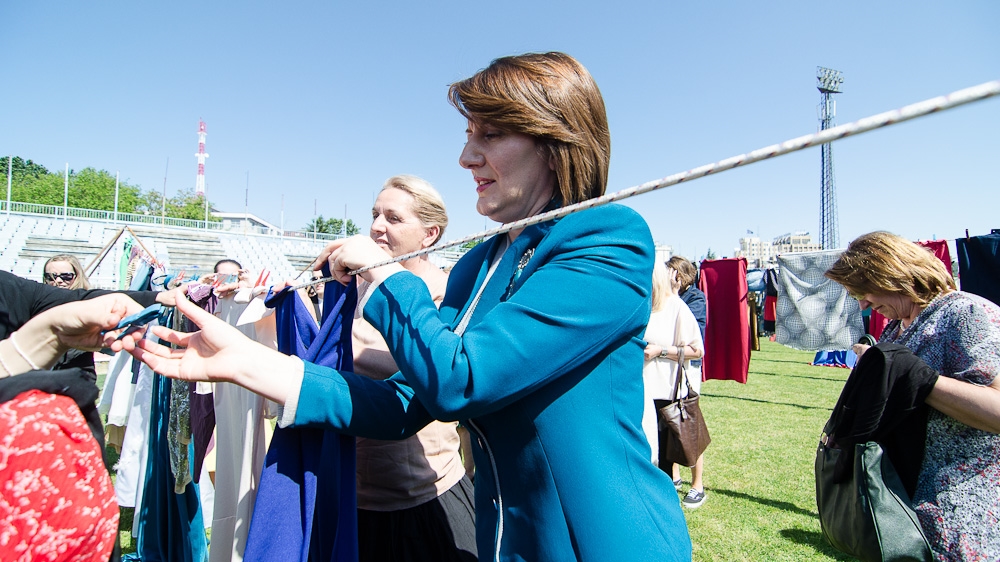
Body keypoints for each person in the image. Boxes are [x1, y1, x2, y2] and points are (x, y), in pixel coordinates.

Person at [126, 52, 692, 561]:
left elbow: (461, 379)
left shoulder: (608, 237)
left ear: (555, 141)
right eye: (470, 134)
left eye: (491, 134)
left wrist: (383, 271)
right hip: (508, 544)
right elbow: (405, 404)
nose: (467, 155)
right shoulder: (482, 263)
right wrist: (241, 361)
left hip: (605, 543)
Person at [825, 231, 1000, 560]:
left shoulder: (966, 315)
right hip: (910, 509)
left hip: (963, 515)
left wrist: (922, 381)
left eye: (863, 290)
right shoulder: (899, 323)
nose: (862, 303)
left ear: (891, 273)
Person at [351, 174, 476, 561]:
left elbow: (437, 379)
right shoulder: (351, 289)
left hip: (423, 498)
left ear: (430, 234)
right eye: (374, 214)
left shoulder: (449, 297)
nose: (376, 226)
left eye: (393, 217)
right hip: (352, 495)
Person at [641, 261, 706, 508]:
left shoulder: (678, 307)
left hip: (667, 392)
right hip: (643, 389)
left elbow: (696, 350)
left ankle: (686, 491)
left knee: (673, 451)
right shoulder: (644, 306)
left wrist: (661, 351)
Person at [42, 254, 105, 377]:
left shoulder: (89, 304)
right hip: (43, 373)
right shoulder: (38, 305)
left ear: (77, 277)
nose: (58, 281)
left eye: (66, 277)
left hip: (77, 372)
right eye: (50, 277)